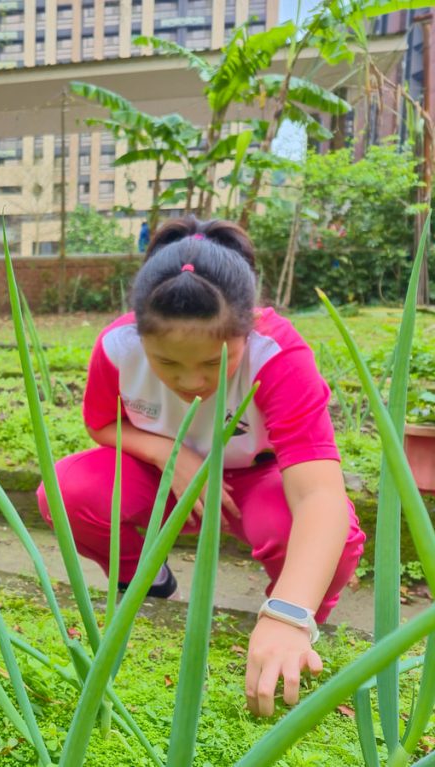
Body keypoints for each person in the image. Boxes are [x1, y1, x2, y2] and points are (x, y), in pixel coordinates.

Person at [36, 216, 364, 718]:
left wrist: (289, 616)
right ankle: (143, 581)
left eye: (214, 363)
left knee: (323, 535)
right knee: (68, 490)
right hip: (164, 474)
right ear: (139, 332)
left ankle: (289, 630)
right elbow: (103, 425)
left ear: (245, 330)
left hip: (256, 478)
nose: (191, 381)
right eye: (167, 363)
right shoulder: (116, 346)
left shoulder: (277, 354)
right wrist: (175, 456)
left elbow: (319, 493)